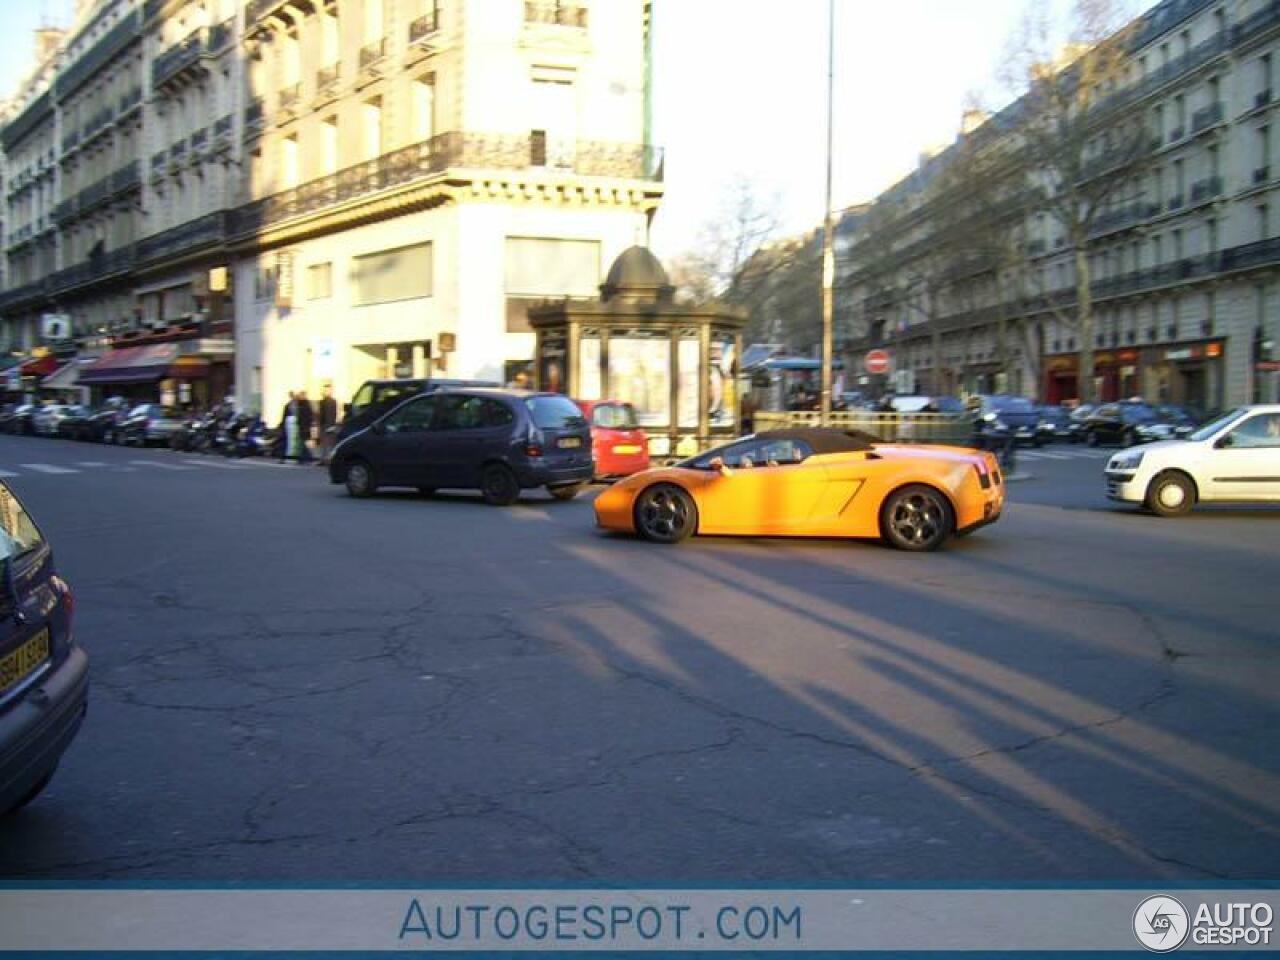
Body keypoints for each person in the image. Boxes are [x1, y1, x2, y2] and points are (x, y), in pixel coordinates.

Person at [317, 384, 338, 465]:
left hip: (327, 424)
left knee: (327, 443)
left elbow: (333, 413)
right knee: (326, 443)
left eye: (327, 390)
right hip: (327, 424)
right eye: (325, 390)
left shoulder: (328, 401)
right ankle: (325, 459)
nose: (326, 392)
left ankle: (326, 459)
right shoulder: (325, 401)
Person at [295, 390, 315, 463]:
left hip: (304, 426)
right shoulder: (303, 404)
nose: (300, 397)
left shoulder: (304, 405)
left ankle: (305, 457)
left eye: (301, 395)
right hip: (303, 426)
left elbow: (307, 416)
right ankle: (307, 457)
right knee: (303, 442)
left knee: (302, 443)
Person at [279, 392, 298, 463]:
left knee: (290, 442)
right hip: (292, 423)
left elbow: (284, 416)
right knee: (292, 442)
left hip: (289, 422)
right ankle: (291, 458)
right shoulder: (295, 405)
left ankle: (289, 458)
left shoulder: (289, 405)